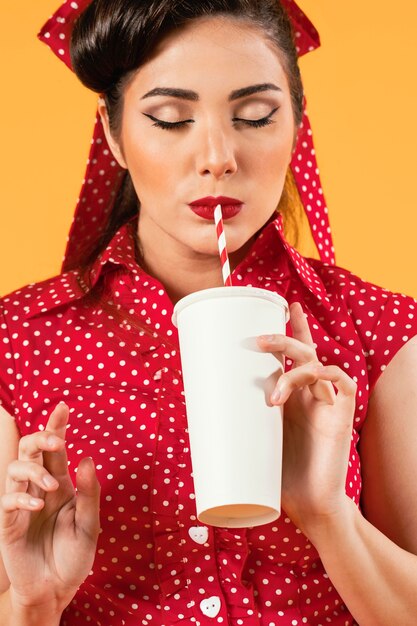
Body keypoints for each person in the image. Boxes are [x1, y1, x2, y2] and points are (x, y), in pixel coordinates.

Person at [0, 1, 416, 625]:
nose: (218, 155)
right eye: (170, 119)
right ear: (113, 133)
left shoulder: (379, 330)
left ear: (297, 125)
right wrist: (34, 603)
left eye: (254, 116)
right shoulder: (17, 340)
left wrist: (330, 516)